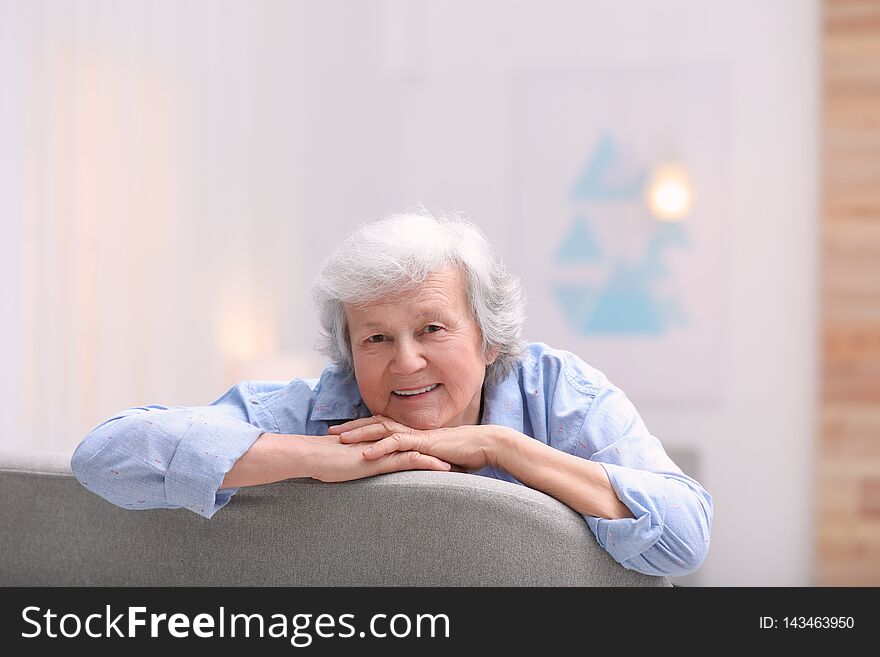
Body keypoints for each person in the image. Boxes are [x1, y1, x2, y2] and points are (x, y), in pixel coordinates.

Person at [71, 210, 712, 577]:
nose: (405, 363)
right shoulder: (320, 407)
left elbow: (684, 538)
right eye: (375, 339)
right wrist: (314, 455)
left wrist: (503, 447)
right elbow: (107, 456)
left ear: (489, 338)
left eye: (432, 329)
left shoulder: (559, 393)